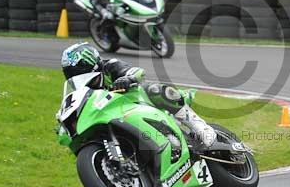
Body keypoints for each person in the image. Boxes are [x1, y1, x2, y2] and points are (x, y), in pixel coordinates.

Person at [60, 42, 216, 148]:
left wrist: (127, 79)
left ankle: (200, 127)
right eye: (71, 72)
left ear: (91, 62)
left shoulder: (110, 66)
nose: (76, 74)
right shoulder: (80, 92)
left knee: (156, 90)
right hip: (115, 118)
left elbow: (137, 72)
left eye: (79, 68)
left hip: (138, 104)